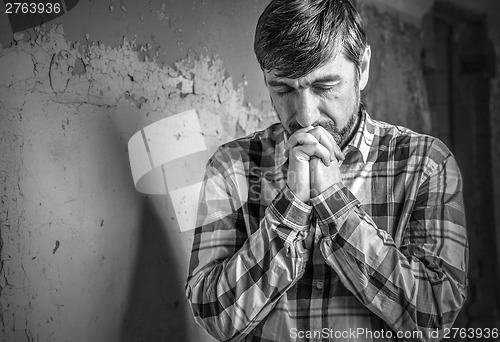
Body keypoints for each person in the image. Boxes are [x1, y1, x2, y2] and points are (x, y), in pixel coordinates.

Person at [185, 0, 468, 341]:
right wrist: (292, 207)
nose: (305, 116)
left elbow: (435, 316)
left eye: (324, 86)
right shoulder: (231, 167)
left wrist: (334, 203)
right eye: (284, 89)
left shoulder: (426, 164)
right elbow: (213, 315)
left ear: (361, 67)